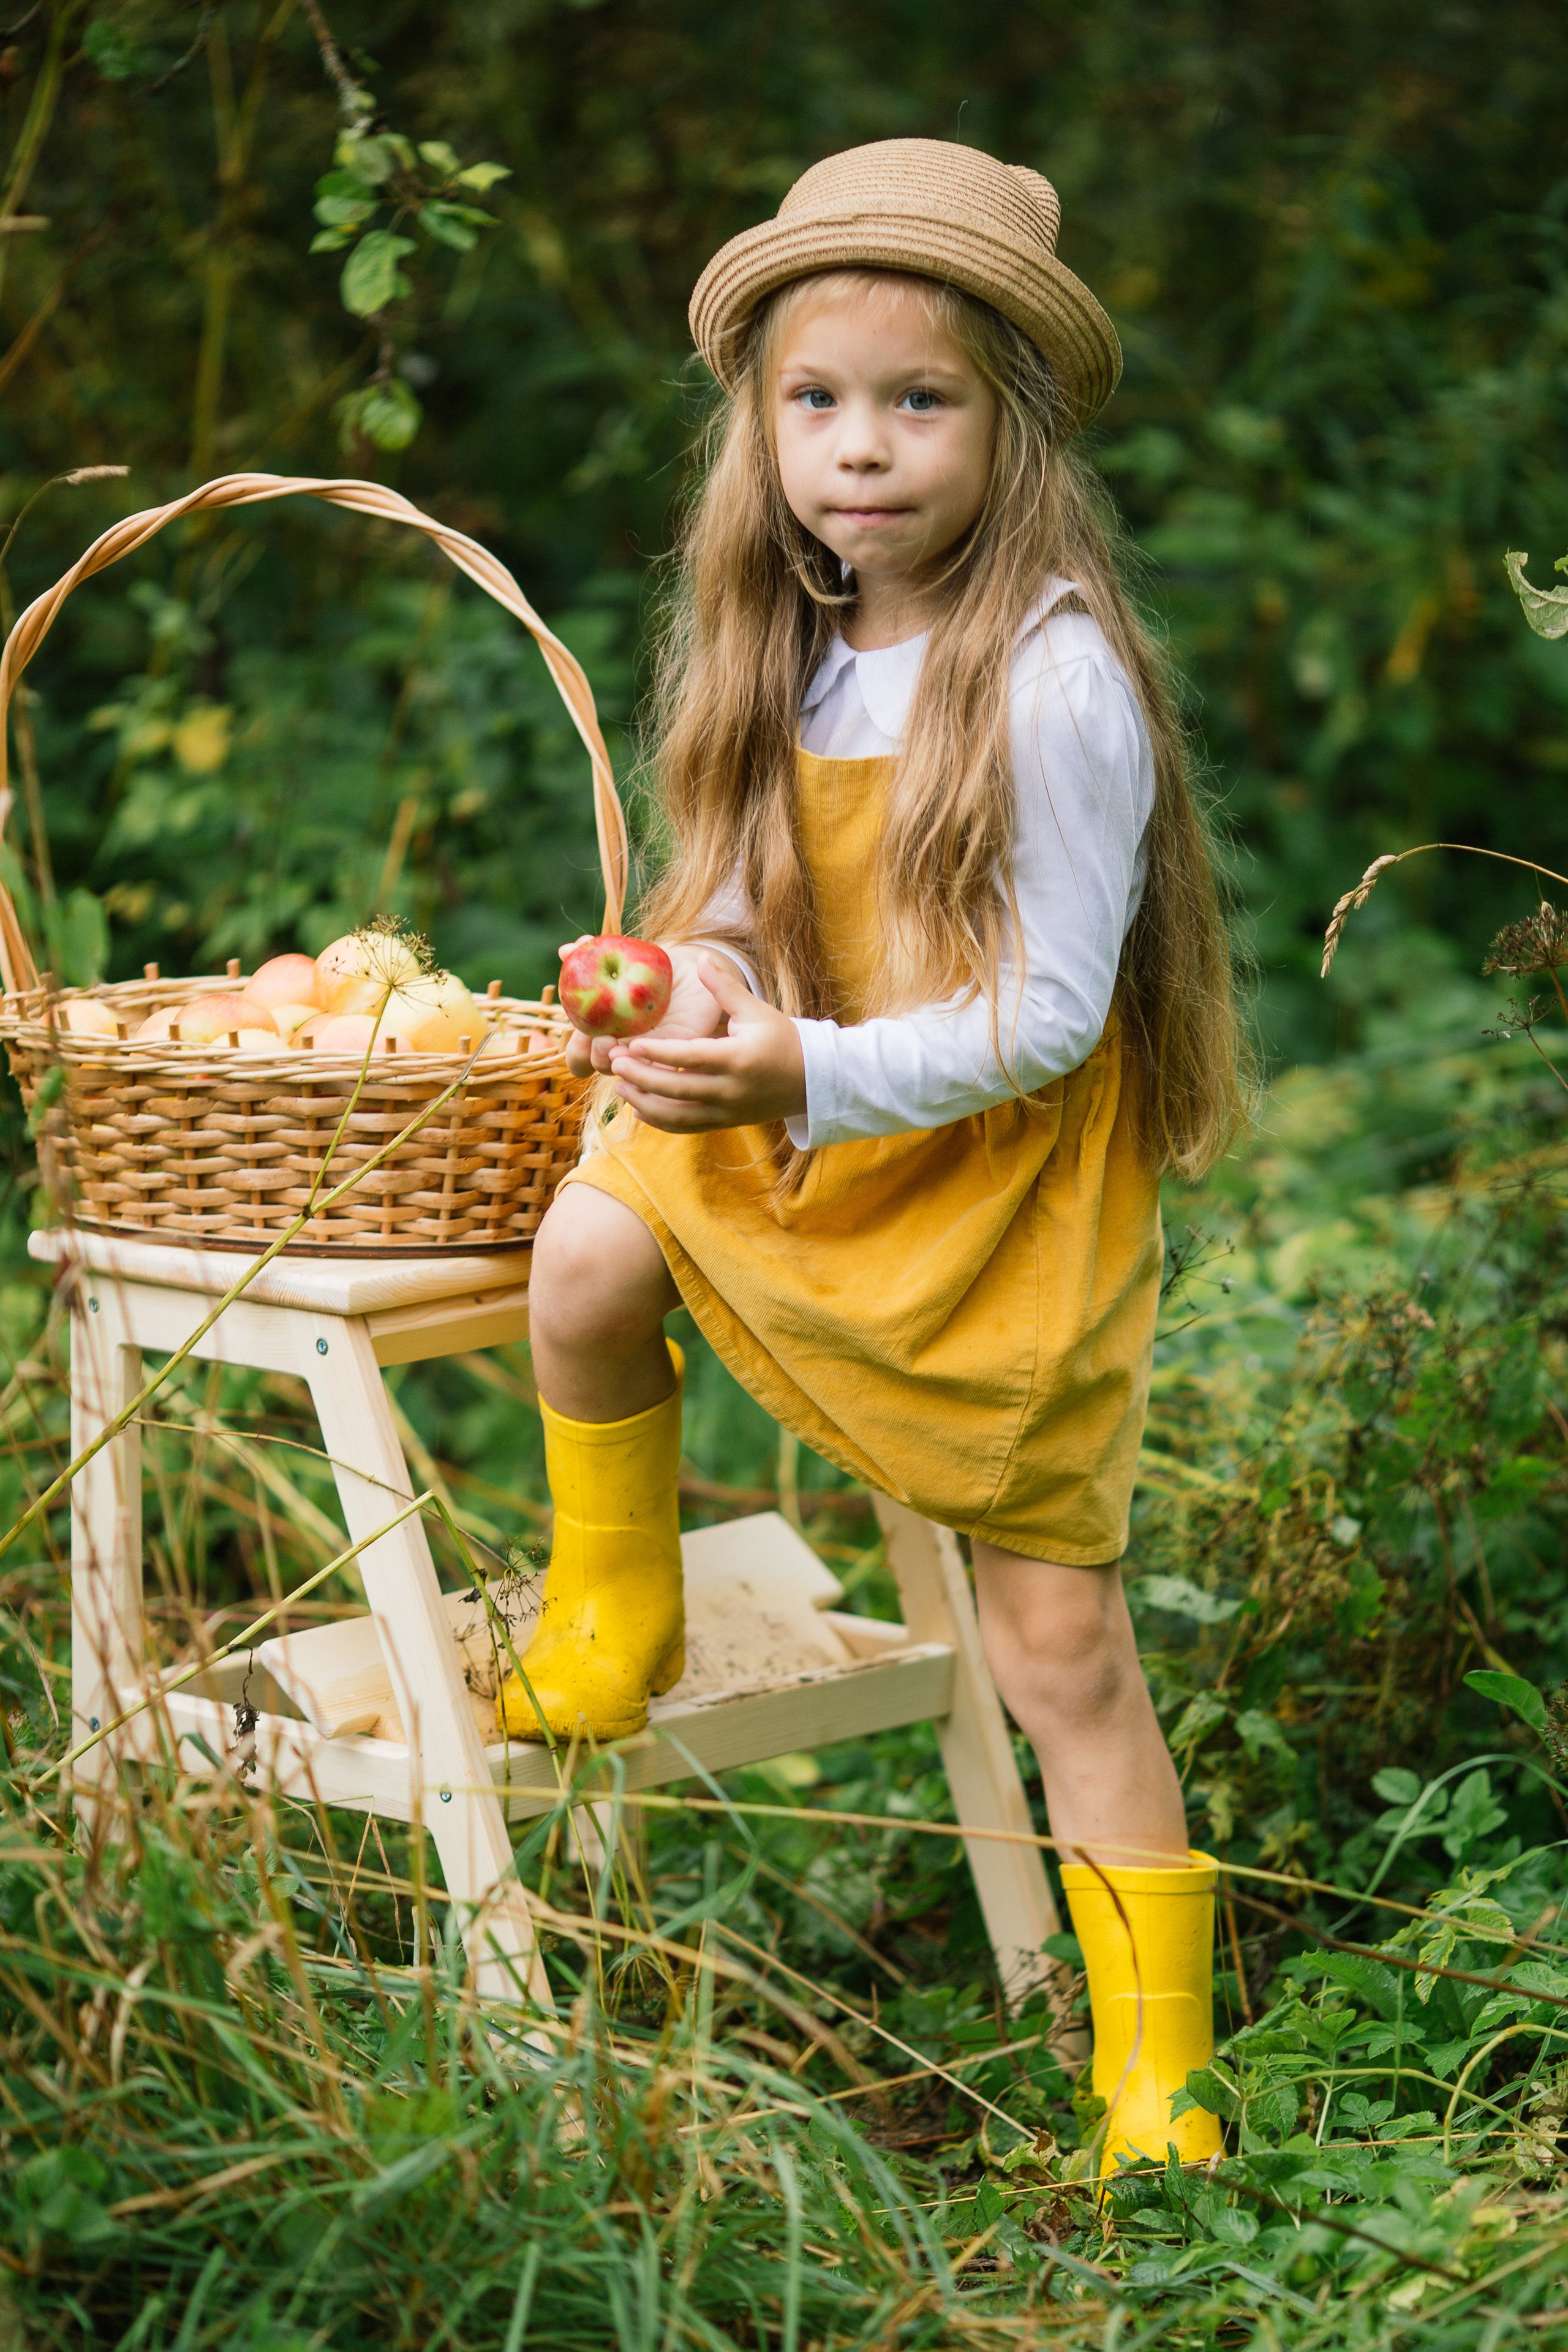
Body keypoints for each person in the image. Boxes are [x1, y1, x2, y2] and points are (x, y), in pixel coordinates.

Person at [502, 139, 1248, 2172]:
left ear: (1009, 424)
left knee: (1058, 1647)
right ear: (760, 425)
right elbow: (752, 893)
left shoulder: (1051, 671)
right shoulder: (784, 633)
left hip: (991, 1184)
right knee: (584, 1259)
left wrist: (787, 1074)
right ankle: (614, 1604)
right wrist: (696, 988)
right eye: (817, 401)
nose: (862, 449)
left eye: (920, 400)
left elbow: (1043, 1018)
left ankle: (1157, 2069)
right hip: (809, 1115)